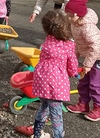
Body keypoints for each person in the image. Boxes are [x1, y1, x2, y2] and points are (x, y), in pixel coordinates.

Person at [31, 10, 79, 138]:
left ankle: (37, 133)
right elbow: (72, 62)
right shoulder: (68, 44)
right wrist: (74, 73)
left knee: (43, 107)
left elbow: (42, 57)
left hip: (41, 79)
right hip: (55, 83)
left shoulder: (47, 40)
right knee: (56, 114)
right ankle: (58, 135)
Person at [64, 0, 100, 122]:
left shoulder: (87, 28)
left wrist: (87, 65)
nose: (68, 18)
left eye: (70, 15)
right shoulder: (75, 23)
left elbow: (95, 48)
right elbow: (78, 44)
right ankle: (83, 104)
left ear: (78, 14)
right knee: (83, 82)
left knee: (95, 85)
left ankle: (99, 109)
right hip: (89, 58)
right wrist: (73, 60)